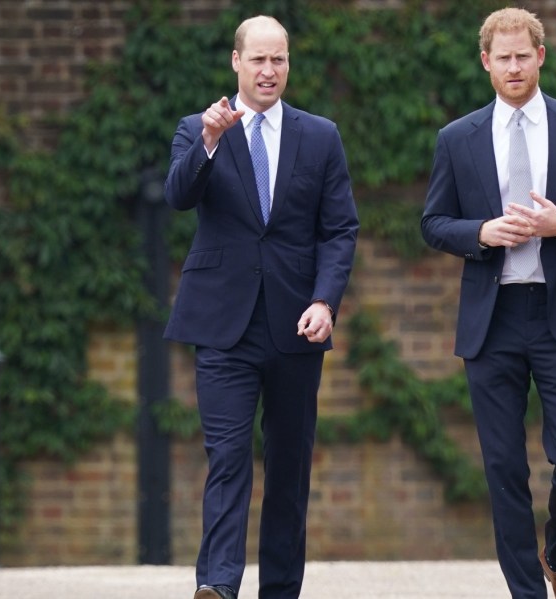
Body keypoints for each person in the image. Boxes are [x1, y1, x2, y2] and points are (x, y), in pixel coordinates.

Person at [421, 7, 556, 599]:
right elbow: (434, 223)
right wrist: (480, 234)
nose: (514, 66)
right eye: (502, 57)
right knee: (504, 469)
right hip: (492, 320)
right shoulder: (457, 138)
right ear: (485, 62)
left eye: (524, 55)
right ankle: (527, 593)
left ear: (541, 57)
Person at [164, 15, 359, 599]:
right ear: (236, 62)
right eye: (258, 60)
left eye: (279, 60)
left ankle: (280, 590)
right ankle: (217, 586)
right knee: (227, 459)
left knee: (289, 468)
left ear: (288, 63)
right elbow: (178, 196)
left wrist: (326, 300)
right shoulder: (199, 129)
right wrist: (209, 140)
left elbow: (340, 229)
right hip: (223, 325)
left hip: (296, 326)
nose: (269, 71)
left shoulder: (320, 135)